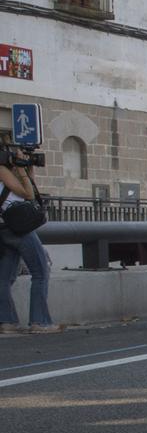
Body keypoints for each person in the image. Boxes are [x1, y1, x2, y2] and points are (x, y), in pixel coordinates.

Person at [0, 133, 56, 332]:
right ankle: (40, 322)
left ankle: (7, 322)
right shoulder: (1, 170)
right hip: (17, 227)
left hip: (4, 227)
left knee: (4, 277)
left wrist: (27, 169)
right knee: (41, 271)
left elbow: (31, 189)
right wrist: (22, 171)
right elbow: (27, 194)